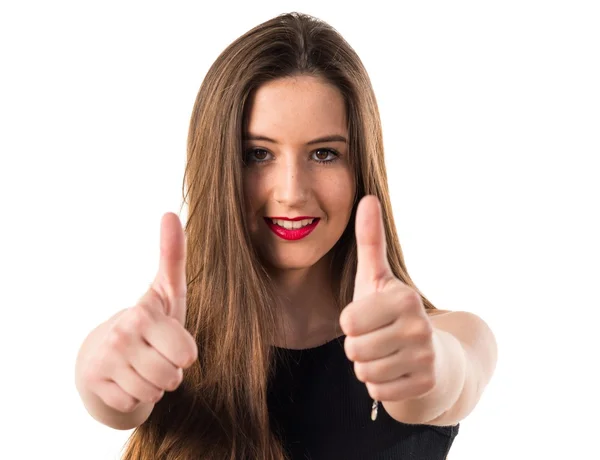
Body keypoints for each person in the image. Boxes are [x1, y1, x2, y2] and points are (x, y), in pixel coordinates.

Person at [74, 11, 497, 460]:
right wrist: (103, 377)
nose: (292, 193)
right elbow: (104, 383)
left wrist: (430, 362)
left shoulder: (440, 337)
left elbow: (453, 375)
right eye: (258, 154)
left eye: (323, 153)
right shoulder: (158, 343)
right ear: (217, 168)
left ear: (361, 169)